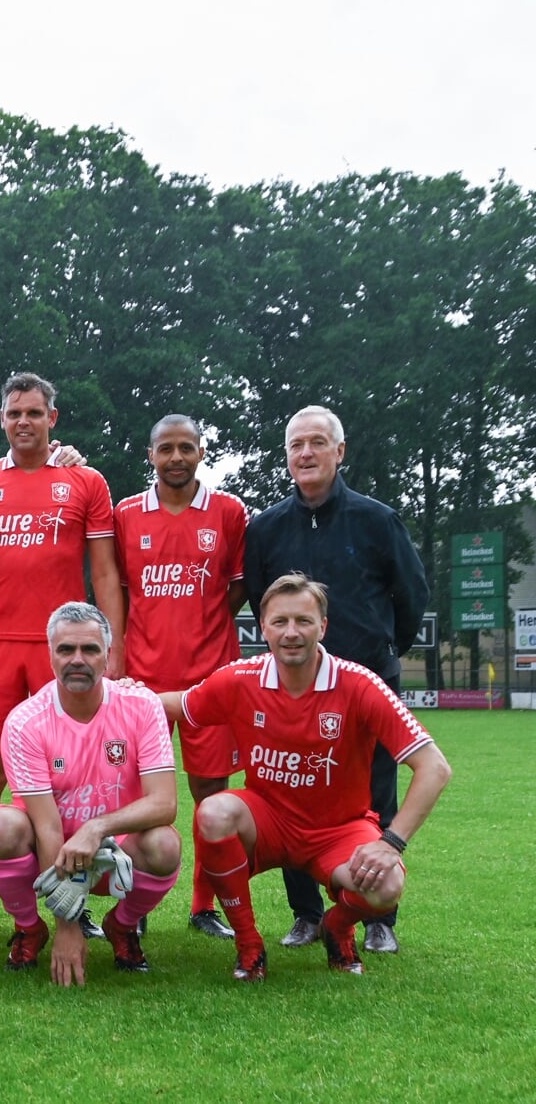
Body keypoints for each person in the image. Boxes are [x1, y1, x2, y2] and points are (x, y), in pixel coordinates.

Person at [166, 573, 451, 981]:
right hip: (269, 821)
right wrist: (117, 695)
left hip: (338, 829)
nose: (292, 633)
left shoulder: (359, 684)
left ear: (323, 626)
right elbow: (178, 704)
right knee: (213, 813)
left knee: (386, 886)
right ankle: (248, 944)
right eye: (280, 622)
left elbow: (435, 768)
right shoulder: (241, 678)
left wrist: (391, 844)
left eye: (303, 621)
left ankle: (336, 925)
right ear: (262, 627)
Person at [243, 405, 429, 955]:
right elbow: (262, 600)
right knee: (290, 794)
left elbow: (411, 595)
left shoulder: (377, 519)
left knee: (376, 794)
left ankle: (377, 917)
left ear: (339, 452)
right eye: (297, 444)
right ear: (287, 456)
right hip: (293, 689)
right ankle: (306, 914)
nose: (306, 453)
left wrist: (384, 650)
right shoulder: (267, 528)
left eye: (318, 443)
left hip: (367, 681)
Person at [0, 372, 122, 935]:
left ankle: (75, 896)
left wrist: (110, 647)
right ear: (2, 420)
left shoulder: (86, 481)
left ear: (53, 418)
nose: (24, 421)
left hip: (63, 648)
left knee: (75, 777)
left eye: (34, 412)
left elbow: (103, 571)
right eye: (14, 413)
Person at [0, 603, 180, 986]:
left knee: (164, 845)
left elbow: (165, 803)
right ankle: (30, 928)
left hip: (114, 851)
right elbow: (47, 826)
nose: (77, 659)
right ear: (50, 656)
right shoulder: (25, 721)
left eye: (89, 649)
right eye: (65, 650)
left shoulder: (143, 706)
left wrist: (96, 828)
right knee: (1, 825)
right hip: (49, 846)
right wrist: (66, 926)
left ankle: (122, 926)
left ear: (108, 656)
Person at [113, 414, 249, 939]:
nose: (176, 457)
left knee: (211, 794)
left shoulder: (229, 511)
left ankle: (203, 904)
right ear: (150, 455)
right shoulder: (127, 513)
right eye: (166, 448)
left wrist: (205, 620)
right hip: (144, 679)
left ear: (200, 452)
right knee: (138, 794)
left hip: (212, 676)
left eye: (186, 448)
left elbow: (233, 589)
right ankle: (138, 900)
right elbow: (119, 592)